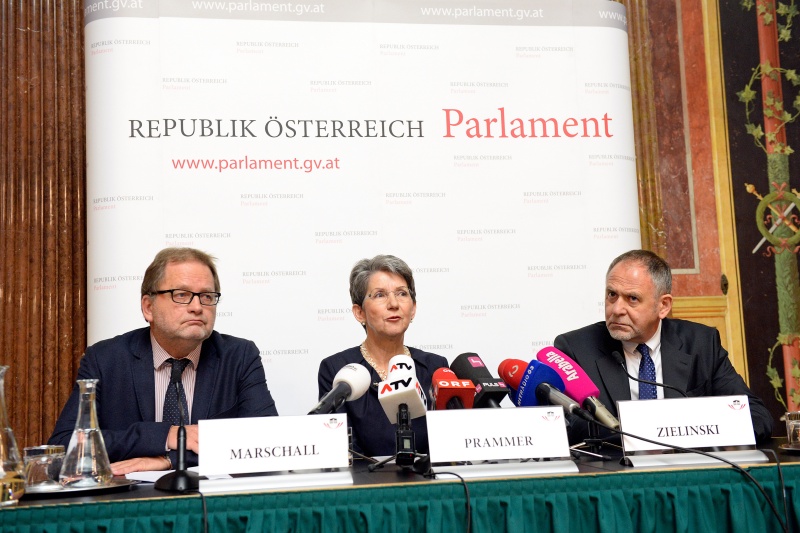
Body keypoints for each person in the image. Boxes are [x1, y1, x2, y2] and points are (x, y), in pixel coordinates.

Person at [49, 247, 278, 474]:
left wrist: (172, 458)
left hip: (212, 503)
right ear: (148, 307)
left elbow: (266, 441)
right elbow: (65, 446)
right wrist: (166, 436)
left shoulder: (239, 357)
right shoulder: (106, 359)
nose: (197, 307)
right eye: (181, 295)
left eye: (207, 296)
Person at [553, 249, 773, 445]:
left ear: (663, 306)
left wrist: (699, 434)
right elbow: (565, 428)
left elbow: (757, 416)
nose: (617, 308)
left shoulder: (701, 344)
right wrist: (648, 435)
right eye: (612, 294)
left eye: (632, 298)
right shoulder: (575, 349)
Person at [317, 255, 449, 458]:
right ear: (359, 312)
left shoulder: (435, 367)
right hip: (365, 485)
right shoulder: (337, 369)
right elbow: (343, 450)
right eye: (380, 295)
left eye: (402, 294)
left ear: (413, 309)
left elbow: (445, 445)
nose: (394, 304)